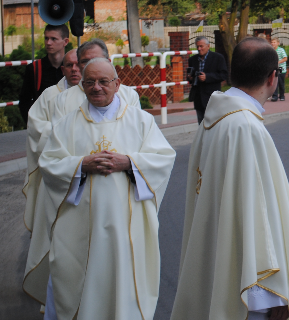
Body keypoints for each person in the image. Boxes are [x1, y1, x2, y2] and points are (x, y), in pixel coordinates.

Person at [171, 37, 289, 320]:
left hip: (218, 257)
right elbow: (257, 212)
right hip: (249, 291)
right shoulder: (245, 127)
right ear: (273, 77)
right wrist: (271, 294)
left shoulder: (215, 119)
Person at [38, 57, 176, 320]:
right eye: (89, 82)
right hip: (80, 230)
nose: (97, 87)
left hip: (126, 230)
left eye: (104, 81)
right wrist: (81, 164)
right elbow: (49, 163)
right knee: (79, 284)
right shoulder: (66, 125)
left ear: (117, 84)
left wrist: (129, 162)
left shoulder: (141, 121)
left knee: (122, 286)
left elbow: (163, 158)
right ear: (82, 87)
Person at [21, 49, 80, 311]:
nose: (74, 70)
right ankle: (54, 302)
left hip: (85, 176)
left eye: (79, 64)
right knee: (56, 239)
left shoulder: (96, 94)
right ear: (63, 69)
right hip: (56, 177)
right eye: (69, 65)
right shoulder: (50, 96)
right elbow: (36, 129)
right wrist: (66, 138)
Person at [52, 39, 141, 123]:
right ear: (78, 65)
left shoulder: (129, 95)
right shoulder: (63, 100)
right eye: (85, 61)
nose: (92, 65)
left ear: (109, 62)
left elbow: (135, 129)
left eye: (97, 60)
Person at [19, 24, 69, 124]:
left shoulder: (73, 68)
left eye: (54, 39)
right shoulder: (33, 69)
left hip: (68, 126)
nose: (48, 43)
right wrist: (33, 125)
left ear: (65, 42)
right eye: (46, 38)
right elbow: (24, 102)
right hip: (43, 128)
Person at [188, 36, 228, 123]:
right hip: (198, 98)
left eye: (201, 46)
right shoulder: (192, 60)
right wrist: (190, 78)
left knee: (214, 124)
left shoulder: (218, 58)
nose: (199, 49)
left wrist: (208, 77)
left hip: (212, 97)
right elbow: (191, 78)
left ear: (208, 46)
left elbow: (223, 75)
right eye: (197, 46)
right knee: (201, 125)